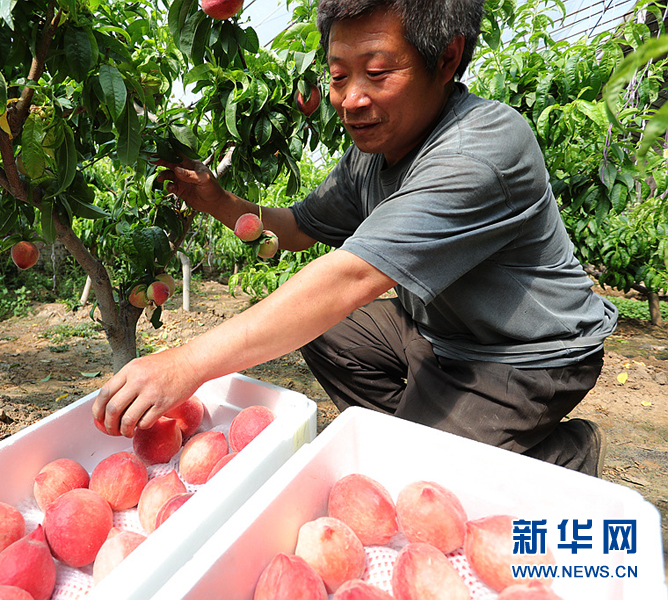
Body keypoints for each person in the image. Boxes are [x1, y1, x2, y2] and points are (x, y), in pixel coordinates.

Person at [92, 0, 618, 476]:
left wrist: (185, 363)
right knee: (321, 331)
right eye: (339, 77)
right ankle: (425, 431)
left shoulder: (479, 151)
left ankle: (559, 457)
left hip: (522, 355)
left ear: (448, 58)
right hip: (436, 329)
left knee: (410, 486)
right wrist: (217, 202)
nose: (351, 99)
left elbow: (351, 277)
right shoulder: (372, 153)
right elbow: (298, 228)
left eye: (378, 72)